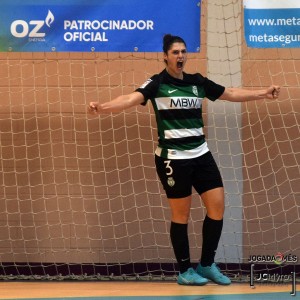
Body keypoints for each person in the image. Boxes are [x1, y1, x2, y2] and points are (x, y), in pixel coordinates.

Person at [88, 34, 280, 286]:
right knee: (181, 215)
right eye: (175, 52)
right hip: (173, 159)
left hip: (201, 154)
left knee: (217, 207)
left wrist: (262, 93)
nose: (180, 56)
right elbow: (130, 99)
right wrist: (102, 107)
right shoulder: (157, 84)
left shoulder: (196, 82)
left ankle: (207, 264)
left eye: (183, 52)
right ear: (165, 56)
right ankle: (184, 271)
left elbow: (229, 92)